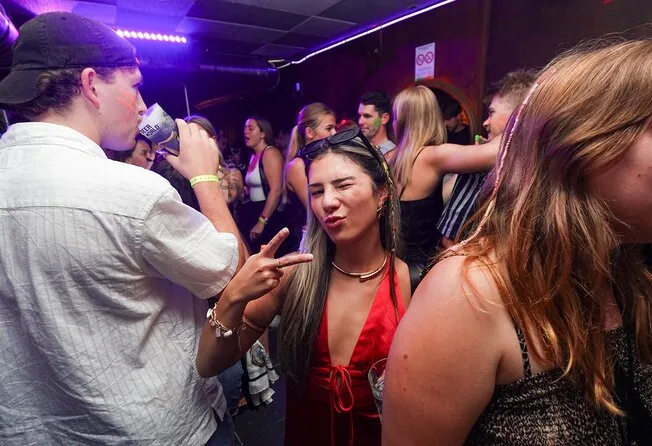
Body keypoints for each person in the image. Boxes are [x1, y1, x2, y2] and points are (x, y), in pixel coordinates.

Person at [383, 39, 652, 445]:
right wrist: (529, 129)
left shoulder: (630, 278)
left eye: (492, 112)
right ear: (585, 144)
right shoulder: (468, 294)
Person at [0, 12, 254, 445]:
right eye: (134, 86)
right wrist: (205, 178)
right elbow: (235, 278)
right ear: (90, 85)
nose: (141, 105)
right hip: (157, 431)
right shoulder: (131, 191)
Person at [196, 126, 411, 446]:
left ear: (381, 193)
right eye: (317, 191)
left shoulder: (410, 281)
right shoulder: (298, 276)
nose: (328, 202)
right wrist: (234, 294)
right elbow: (208, 363)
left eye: (343, 185)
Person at [386, 85, 499, 290]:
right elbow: (495, 152)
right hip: (422, 272)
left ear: (399, 121)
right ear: (433, 118)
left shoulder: (387, 158)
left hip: (390, 266)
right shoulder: (433, 156)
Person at [437, 70, 537, 248]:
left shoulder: (484, 168)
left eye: (491, 113)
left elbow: (450, 239)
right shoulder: (539, 164)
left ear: (517, 116)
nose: (485, 122)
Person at [283, 102, 337, 252]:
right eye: (328, 128)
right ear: (309, 132)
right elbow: (315, 209)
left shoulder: (325, 159)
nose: (334, 133)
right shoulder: (297, 165)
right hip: (310, 238)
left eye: (335, 128)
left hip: (326, 232)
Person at [240, 116, 284, 253]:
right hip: (254, 210)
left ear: (263, 134)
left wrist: (261, 222)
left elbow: (276, 190)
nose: (246, 132)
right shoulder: (253, 156)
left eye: (250, 128)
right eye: (245, 128)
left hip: (268, 214)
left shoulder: (270, 153)